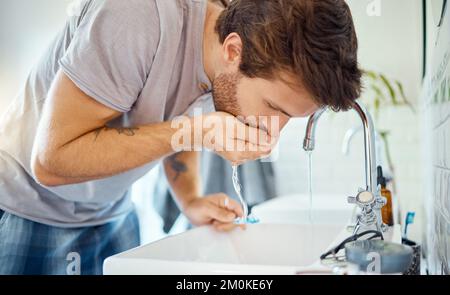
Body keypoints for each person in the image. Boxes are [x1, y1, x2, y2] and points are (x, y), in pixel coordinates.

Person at [0, 0, 362, 274]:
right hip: (27, 209)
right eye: (275, 107)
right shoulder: (136, 15)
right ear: (233, 51)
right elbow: (50, 161)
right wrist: (195, 132)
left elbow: (179, 110)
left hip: (114, 215)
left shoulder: (220, 52)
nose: (274, 129)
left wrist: (189, 198)